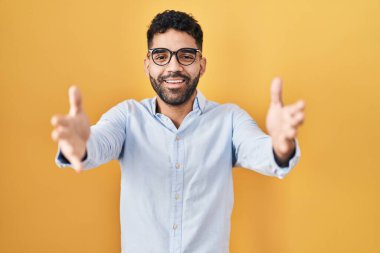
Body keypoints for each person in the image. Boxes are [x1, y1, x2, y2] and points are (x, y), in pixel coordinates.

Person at [51, 10, 305, 253]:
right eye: (161, 56)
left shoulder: (229, 119)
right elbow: (99, 143)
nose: (173, 67)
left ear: (202, 64)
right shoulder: (127, 117)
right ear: (147, 64)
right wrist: (79, 146)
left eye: (186, 55)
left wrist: (281, 146)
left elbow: (261, 150)